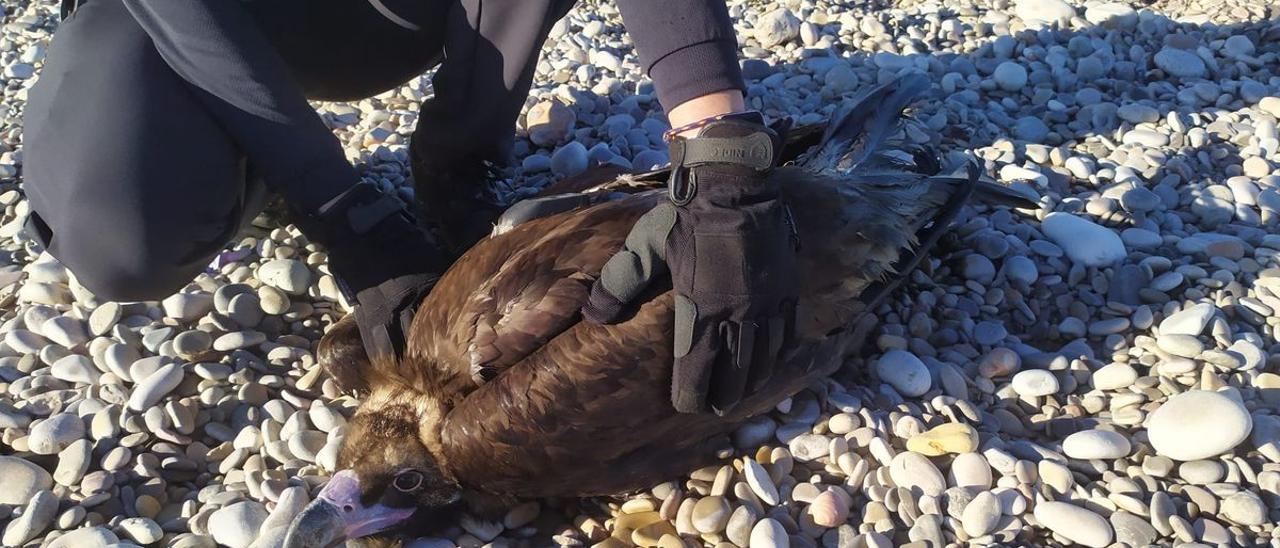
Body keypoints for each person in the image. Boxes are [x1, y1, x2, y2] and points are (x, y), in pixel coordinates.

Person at [23, 0, 798, 415]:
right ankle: (244, 143)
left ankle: (461, 147)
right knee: (120, 241)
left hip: (388, 17)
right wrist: (336, 204)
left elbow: (719, 143)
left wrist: (720, 144)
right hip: (171, 16)